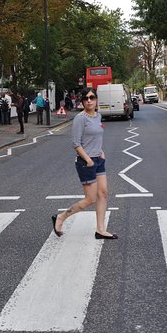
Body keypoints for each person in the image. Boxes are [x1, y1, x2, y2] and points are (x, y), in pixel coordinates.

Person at [52, 88, 117, 240]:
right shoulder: (80, 118)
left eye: (92, 97)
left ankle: (100, 230)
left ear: (96, 100)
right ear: (82, 102)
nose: (89, 100)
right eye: (86, 98)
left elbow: (94, 137)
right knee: (91, 199)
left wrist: (100, 150)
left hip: (99, 160)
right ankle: (61, 217)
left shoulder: (98, 116)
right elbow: (76, 143)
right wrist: (88, 159)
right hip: (86, 162)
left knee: (103, 193)